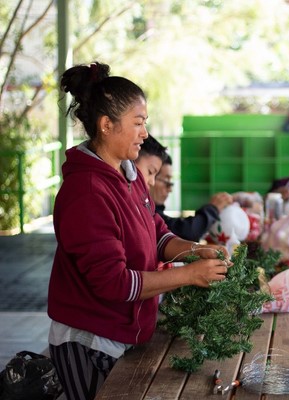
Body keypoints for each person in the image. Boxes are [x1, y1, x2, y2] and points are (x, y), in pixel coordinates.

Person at [47, 62, 231, 400]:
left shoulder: (127, 175)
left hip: (124, 334)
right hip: (89, 342)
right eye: (138, 123)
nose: (145, 133)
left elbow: (157, 234)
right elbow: (114, 282)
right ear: (106, 125)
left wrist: (195, 250)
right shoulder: (87, 191)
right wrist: (190, 274)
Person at [150, 154, 233, 241]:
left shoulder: (153, 213)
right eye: (166, 181)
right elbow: (186, 233)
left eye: (170, 182)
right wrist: (212, 209)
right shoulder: (146, 215)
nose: (170, 189)